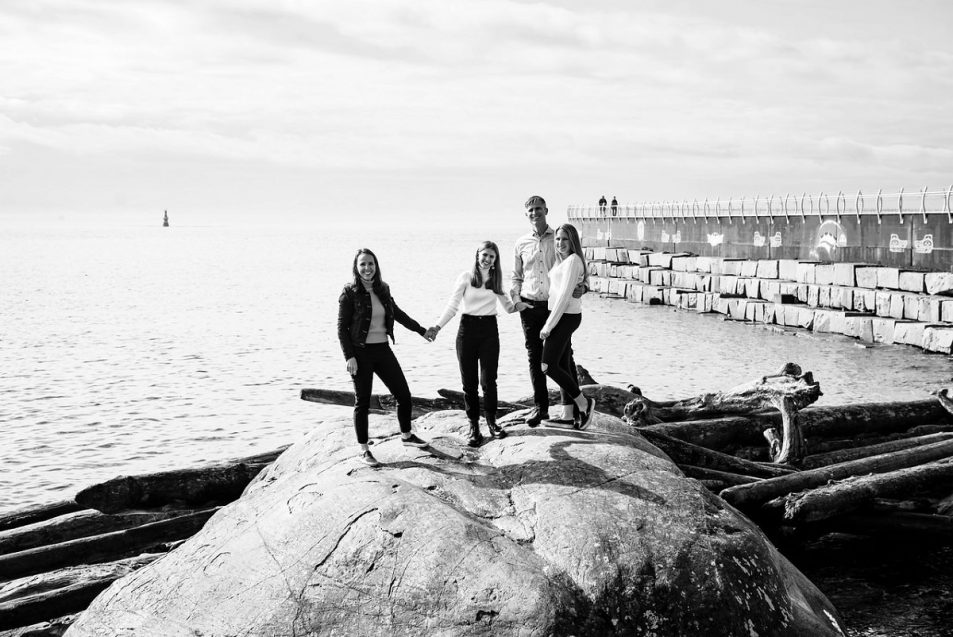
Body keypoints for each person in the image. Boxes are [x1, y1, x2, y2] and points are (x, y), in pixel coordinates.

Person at [426, 242, 527, 447]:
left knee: (489, 381)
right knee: (469, 384)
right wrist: (437, 327)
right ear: (477, 255)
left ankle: (492, 423)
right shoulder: (466, 277)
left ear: (495, 260)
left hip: (489, 331)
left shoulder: (496, 279)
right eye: (484, 255)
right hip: (467, 331)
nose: (487, 259)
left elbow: (508, 307)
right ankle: (474, 427)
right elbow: (452, 306)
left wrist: (521, 304)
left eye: (492, 256)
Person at [337, 248, 432, 467]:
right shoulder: (349, 292)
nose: (367, 268)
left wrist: (421, 330)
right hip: (360, 353)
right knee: (362, 401)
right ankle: (364, 450)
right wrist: (349, 357)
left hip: (382, 349)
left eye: (371, 264)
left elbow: (397, 314)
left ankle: (407, 436)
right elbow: (342, 328)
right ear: (356, 267)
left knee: (404, 394)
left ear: (376, 266)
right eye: (362, 264)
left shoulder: (383, 289)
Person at [510, 195, 585, 427]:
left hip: (555, 307)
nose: (535, 213)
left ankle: (571, 409)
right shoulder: (521, 243)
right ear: (526, 214)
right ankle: (541, 408)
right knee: (535, 357)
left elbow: (574, 267)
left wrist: (583, 287)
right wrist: (516, 300)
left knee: (565, 358)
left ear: (546, 210)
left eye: (539, 209)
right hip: (530, 306)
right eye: (531, 210)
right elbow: (516, 276)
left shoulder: (559, 238)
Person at [539, 224, 596, 429]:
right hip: (561, 316)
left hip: (564, 317)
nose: (560, 243)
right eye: (557, 239)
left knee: (548, 365)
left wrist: (548, 325)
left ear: (573, 241)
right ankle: (567, 416)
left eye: (564, 239)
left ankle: (584, 403)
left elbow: (564, 297)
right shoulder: (563, 261)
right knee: (562, 365)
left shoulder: (572, 260)